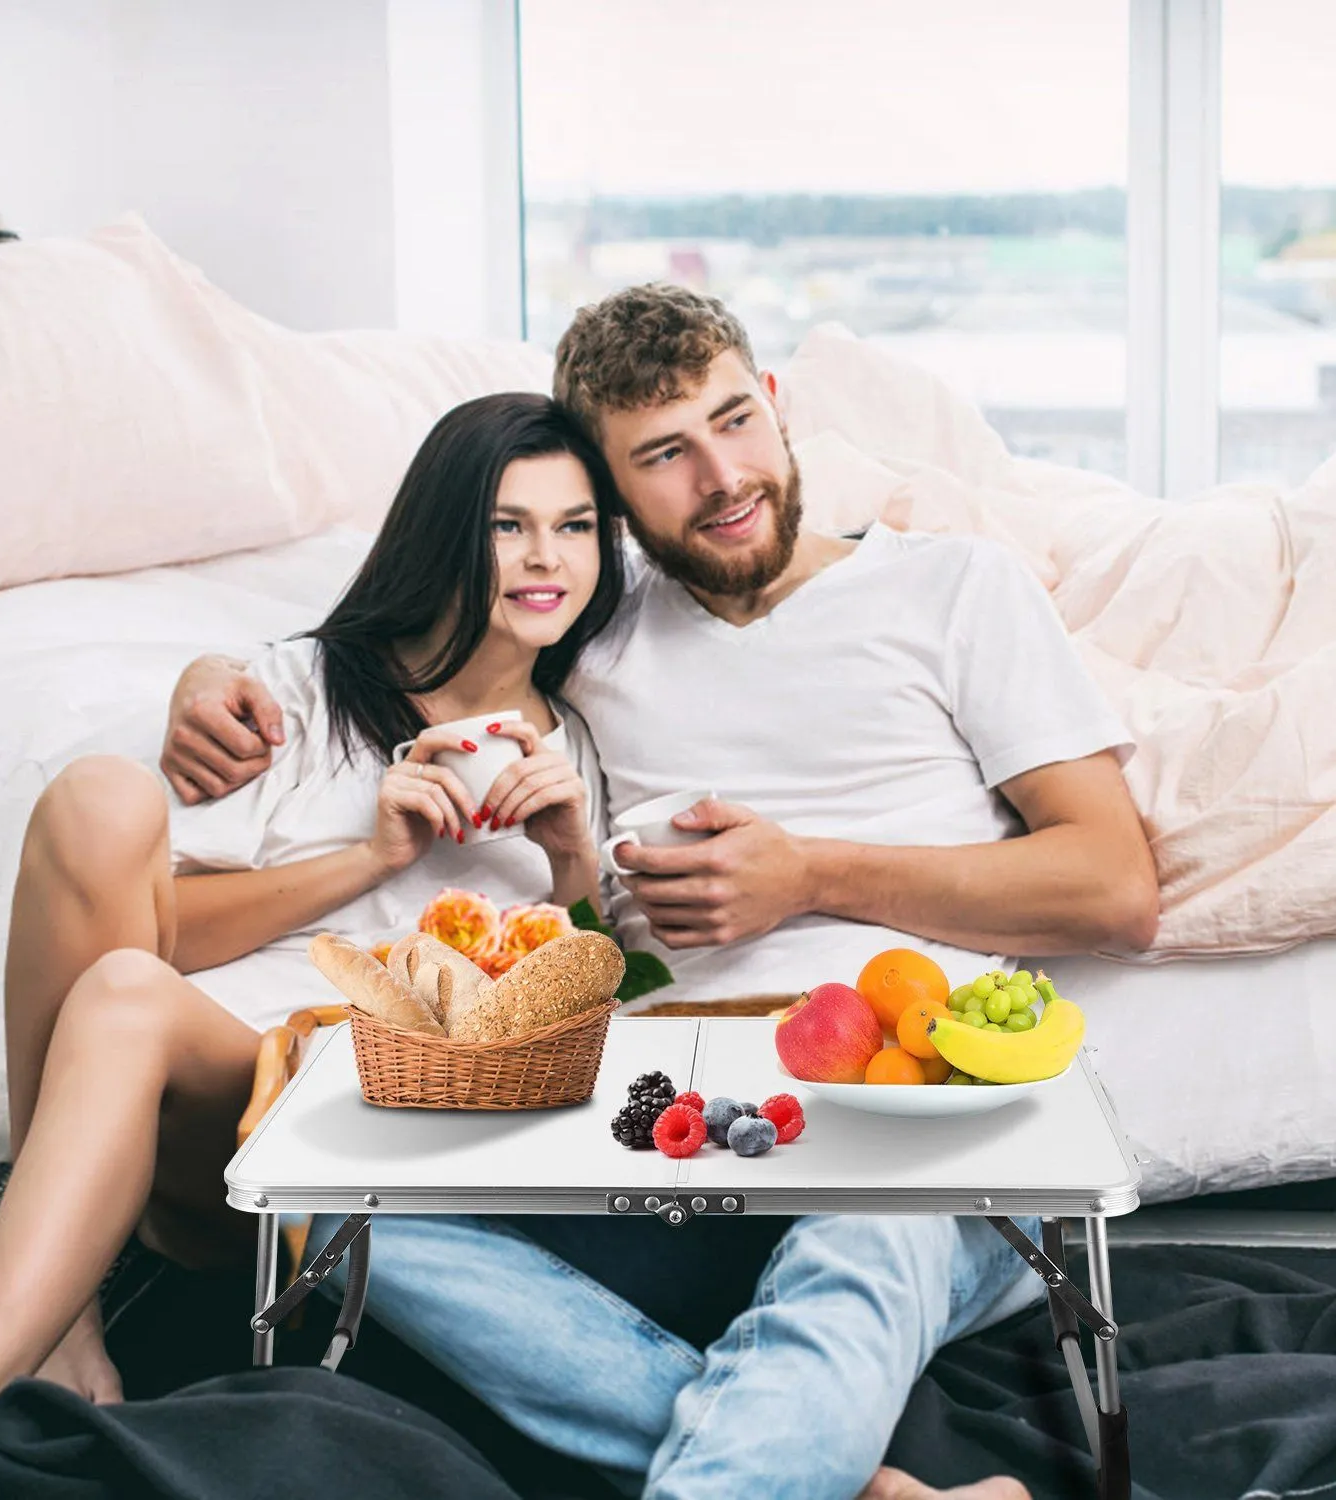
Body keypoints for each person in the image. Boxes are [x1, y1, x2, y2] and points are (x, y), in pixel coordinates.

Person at [164, 285, 1158, 1500]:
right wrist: (212, 678)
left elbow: (1115, 887)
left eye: (737, 421)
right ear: (616, 499)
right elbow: (379, 632)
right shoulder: (591, 624)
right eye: (665, 456)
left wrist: (811, 875)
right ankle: (855, 1483)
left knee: (871, 1232)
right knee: (352, 1220)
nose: (724, 476)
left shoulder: (956, 590)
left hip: (918, 1131)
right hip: (669, 1149)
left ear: (779, 407)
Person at [0, 392, 626, 1460]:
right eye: (509, 523)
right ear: (445, 528)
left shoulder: (583, 750)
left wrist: (570, 859)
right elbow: (158, 941)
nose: (546, 556)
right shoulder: (299, 692)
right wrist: (369, 859)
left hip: (352, 1121)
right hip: (201, 1089)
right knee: (102, 808)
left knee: (127, 997)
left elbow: (616, 1004)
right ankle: (8, 1364)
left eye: (576, 525)